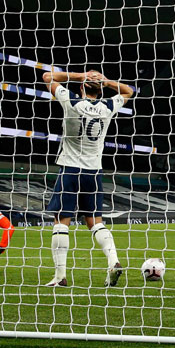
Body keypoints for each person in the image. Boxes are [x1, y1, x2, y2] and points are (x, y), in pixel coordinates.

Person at [41, 69, 134, 287]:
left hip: (70, 169)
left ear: (82, 86)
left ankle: (60, 276)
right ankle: (113, 260)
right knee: (94, 222)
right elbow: (128, 91)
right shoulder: (108, 106)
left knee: (61, 221)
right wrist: (106, 80)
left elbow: (47, 77)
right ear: (101, 90)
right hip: (94, 172)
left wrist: (80, 75)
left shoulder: (71, 101)